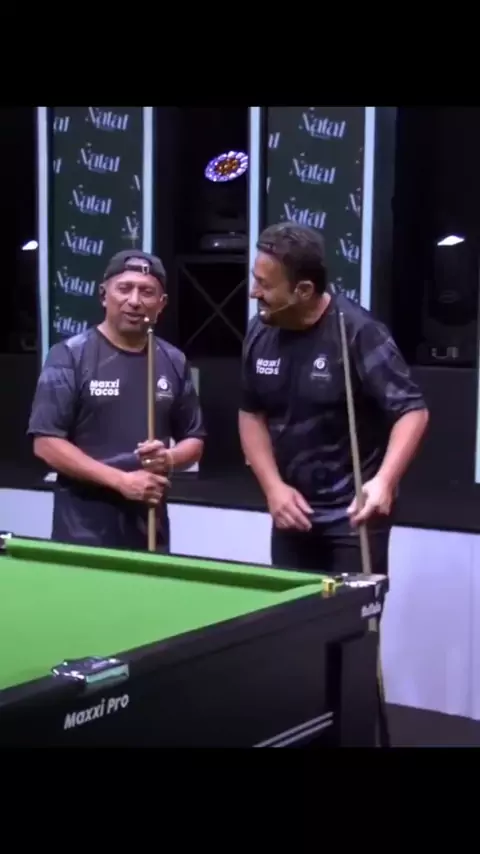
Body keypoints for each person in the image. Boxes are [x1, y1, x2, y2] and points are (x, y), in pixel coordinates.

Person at [239, 223, 429, 575]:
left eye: (264, 284)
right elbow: (251, 414)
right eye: (255, 279)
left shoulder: (357, 332)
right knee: (293, 610)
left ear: (303, 290)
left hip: (353, 515)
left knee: (352, 612)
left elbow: (412, 411)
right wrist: (273, 487)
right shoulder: (260, 330)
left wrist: (385, 481)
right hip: (292, 510)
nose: (254, 292)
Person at [28, 249, 205, 551]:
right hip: (83, 534)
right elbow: (46, 443)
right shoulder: (69, 355)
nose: (134, 301)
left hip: (150, 531)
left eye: (147, 292)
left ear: (161, 303)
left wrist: (169, 458)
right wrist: (121, 481)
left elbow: (194, 440)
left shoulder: (173, 360)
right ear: (103, 295)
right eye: (124, 288)